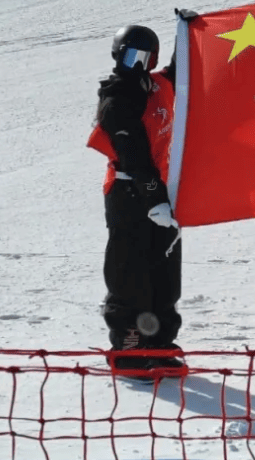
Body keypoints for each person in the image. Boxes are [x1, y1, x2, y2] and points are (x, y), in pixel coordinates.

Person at [87, 25, 185, 377]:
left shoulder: (156, 85)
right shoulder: (117, 98)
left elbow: (180, 72)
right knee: (130, 271)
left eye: (146, 58)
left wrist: (187, 34)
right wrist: (153, 196)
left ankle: (158, 343)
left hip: (163, 192)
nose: (139, 65)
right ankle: (128, 348)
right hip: (130, 192)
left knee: (163, 271)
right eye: (132, 57)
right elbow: (133, 154)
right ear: (118, 56)